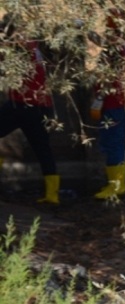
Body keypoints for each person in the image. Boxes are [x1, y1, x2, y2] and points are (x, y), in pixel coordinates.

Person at [0, 17, 59, 204]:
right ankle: (52, 194)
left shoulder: (19, 48)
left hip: (21, 104)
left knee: (42, 148)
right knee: (43, 149)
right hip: (40, 105)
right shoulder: (33, 46)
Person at [89, 7, 125, 200]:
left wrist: (99, 99)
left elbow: (111, 76)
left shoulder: (117, 48)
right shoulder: (121, 47)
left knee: (114, 142)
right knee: (111, 142)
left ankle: (117, 186)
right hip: (113, 101)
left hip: (113, 102)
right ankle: (115, 185)